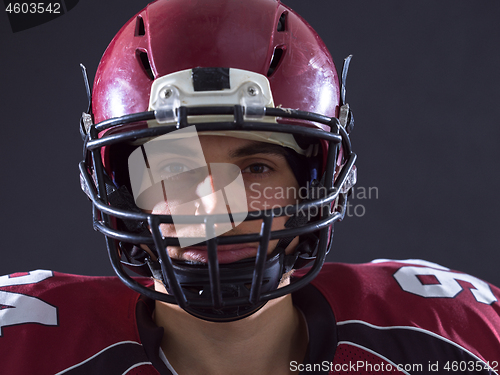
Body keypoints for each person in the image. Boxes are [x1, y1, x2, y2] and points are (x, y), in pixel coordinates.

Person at [1, 0, 499, 374]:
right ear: (119, 188)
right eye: (176, 169)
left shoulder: (443, 340)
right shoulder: (23, 346)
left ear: (313, 182)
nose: (215, 207)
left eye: (256, 168)